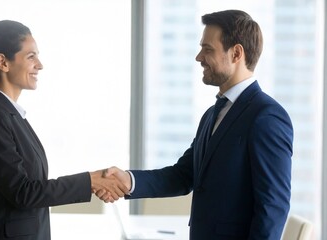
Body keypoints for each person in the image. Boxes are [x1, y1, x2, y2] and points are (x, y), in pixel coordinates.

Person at [100, 10, 293, 239]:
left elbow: (273, 208)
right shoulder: (213, 114)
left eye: (208, 49)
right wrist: (129, 180)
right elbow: (183, 175)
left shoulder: (266, 117)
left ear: (236, 53)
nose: (199, 57)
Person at [0, 20, 128, 240]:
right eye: (31, 56)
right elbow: (23, 192)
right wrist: (90, 181)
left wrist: (92, 182)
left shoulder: (10, 114)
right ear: (3, 62)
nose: (40, 65)